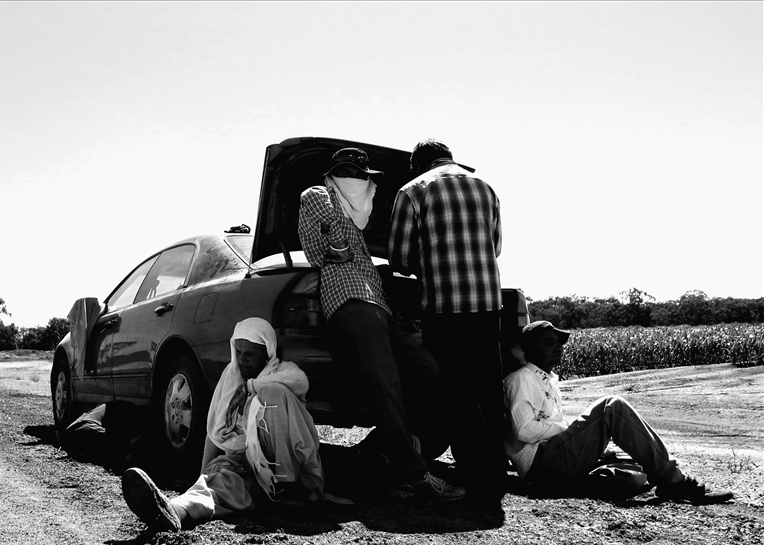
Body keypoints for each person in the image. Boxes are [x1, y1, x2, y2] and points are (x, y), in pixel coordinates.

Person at [297, 147, 464, 501]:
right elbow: (314, 251)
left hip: (378, 309)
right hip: (349, 303)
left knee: (426, 371)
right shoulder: (320, 195)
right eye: (349, 173)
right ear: (335, 175)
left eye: (360, 175)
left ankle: (373, 452)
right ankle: (413, 474)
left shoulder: (357, 223)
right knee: (386, 383)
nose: (357, 182)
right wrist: (336, 242)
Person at [120, 317, 349, 532]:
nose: (242, 359)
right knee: (214, 487)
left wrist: (250, 387)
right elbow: (214, 432)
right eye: (237, 352)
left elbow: (301, 382)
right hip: (247, 466)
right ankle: (174, 511)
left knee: (272, 392)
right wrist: (200, 475)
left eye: (249, 354)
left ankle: (288, 488)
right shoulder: (229, 377)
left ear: (267, 352)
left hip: (291, 470)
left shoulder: (283, 372)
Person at [388, 139, 507, 500]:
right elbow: (496, 246)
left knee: (456, 391)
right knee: (487, 387)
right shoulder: (485, 188)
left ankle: (473, 476)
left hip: (443, 307)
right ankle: (494, 471)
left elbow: (399, 258)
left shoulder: (411, 192)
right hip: (487, 304)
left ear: (417, 165)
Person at [504, 320, 734, 505]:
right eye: (549, 342)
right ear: (529, 349)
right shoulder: (522, 378)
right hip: (541, 463)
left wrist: (577, 437)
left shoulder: (547, 380)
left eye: (559, 343)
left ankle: (574, 485)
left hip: (554, 458)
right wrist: (569, 430)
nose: (558, 348)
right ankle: (674, 481)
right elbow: (524, 430)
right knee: (611, 407)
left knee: (636, 469)